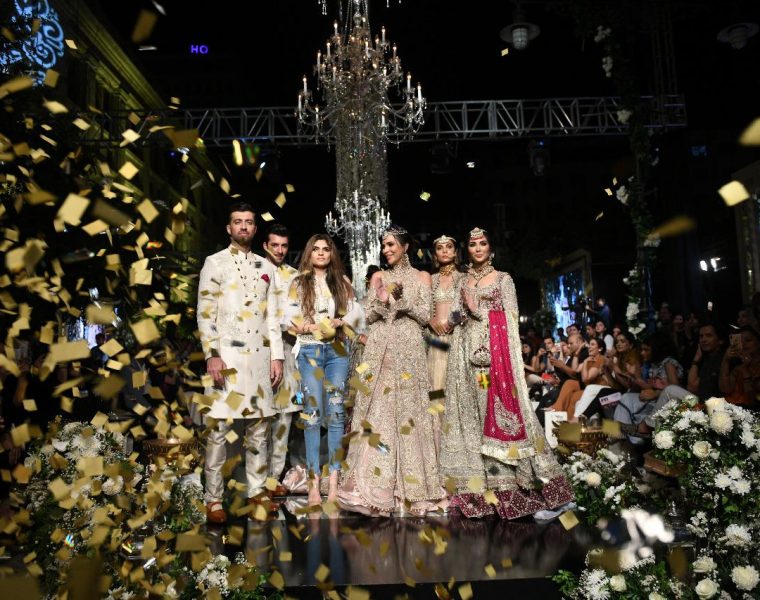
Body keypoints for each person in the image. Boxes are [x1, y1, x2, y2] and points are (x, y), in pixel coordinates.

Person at [439, 227, 573, 520]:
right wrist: (453, 317)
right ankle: (480, 491)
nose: (477, 248)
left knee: (493, 413)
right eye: (472, 244)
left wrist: (478, 310)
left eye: (482, 243)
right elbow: (456, 316)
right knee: (472, 419)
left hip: (493, 362)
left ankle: (514, 488)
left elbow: (511, 320)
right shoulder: (462, 281)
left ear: (491, 248)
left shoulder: (503, 279)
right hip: (465, 360)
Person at [338, 225, 446, 516]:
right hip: (380, 348)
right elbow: (368, 315)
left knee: (409, 411)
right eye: (383, 245)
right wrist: (381, 302)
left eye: (390, 245)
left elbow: (425, 316)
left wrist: (401, 300)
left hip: (409, 348)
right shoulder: (379, 277)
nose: (386, 250)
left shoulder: (422, 277)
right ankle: (372, 486)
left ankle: (409, 488)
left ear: (405, 246)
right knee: (379, 410)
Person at [197, 202, 284, 524]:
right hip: (228, 359)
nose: (243, 227)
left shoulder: (265, 266)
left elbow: (272, 316)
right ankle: (213, 499)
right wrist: (211, 354)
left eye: (248, 222)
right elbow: (205, 311)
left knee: (259, 429)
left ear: (255, 229)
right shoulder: (214, 262)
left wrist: (277, 356)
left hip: (259, 360)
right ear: (229, 228)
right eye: (238, 222)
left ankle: (257, 494)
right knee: (219, 430)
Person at [285, 234, 362, 507]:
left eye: (325, 249)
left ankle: (334, 483)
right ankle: (314, 484)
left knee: (337, 414)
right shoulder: (298, 282)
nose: (320, 253)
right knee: (313, 416)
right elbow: (288, 319)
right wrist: (307, 327)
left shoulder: (341, 282)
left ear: (331, 253)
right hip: (309, 351)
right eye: (315, 249)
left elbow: (357, 314)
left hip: (337, 352)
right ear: (309, 253)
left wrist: (340, 321)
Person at [262, 223, 301, 495]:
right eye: (274, 245)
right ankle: (256, 478)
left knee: (284, 417)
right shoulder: (255, 270)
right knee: (260, 419)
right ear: (265, 245)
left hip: (288, 351)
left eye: (284, 246)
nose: (279, 250)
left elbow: (298, 313)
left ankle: (273, 478)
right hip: (259, 350)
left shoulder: (294, 276)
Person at [427, 234, 465, 452]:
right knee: (436, 387)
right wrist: (430, 320)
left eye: (449, 247)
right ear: (435, 254)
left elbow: (468, 307)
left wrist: (452, 321)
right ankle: (437, 442)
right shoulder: (430, 280)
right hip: (435, 342)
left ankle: (458, 442)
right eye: (440, 248)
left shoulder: (463, 278)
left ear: (455, 252)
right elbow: (423, 307)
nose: (444, 251)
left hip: (457, 338)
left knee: (457, 387)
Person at [720, 325, 760, 410]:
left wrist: (745, 370)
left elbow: (752, 399)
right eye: (740, 342)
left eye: (748, 340)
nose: (744, 344)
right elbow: (725, 389)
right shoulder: (738, 368)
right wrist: (726, 359)